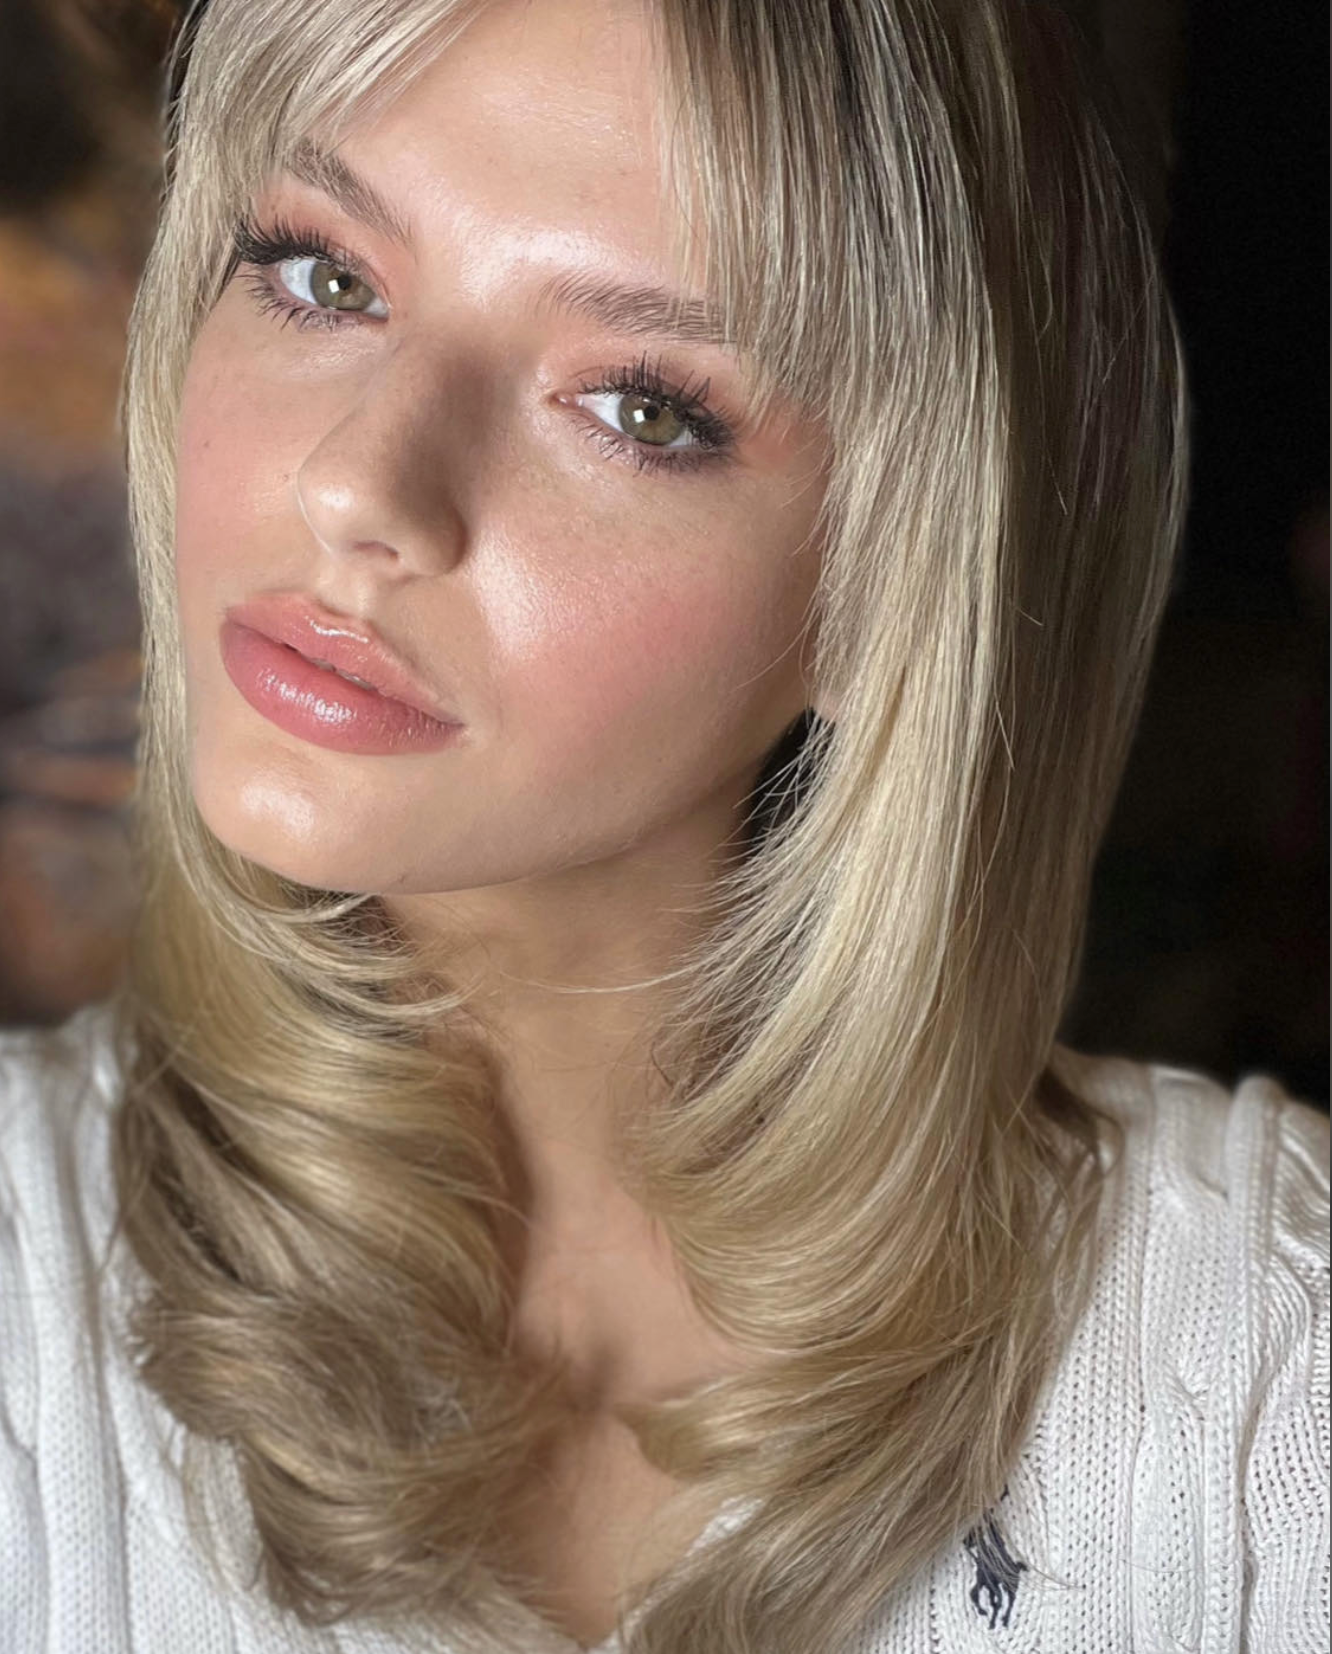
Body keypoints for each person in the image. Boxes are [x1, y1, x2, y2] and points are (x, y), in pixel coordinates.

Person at [1, 0, 1327, 1649]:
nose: (362, 484)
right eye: (324, 275)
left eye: (639, 405)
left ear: (888, 586)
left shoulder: (1259, 1373)